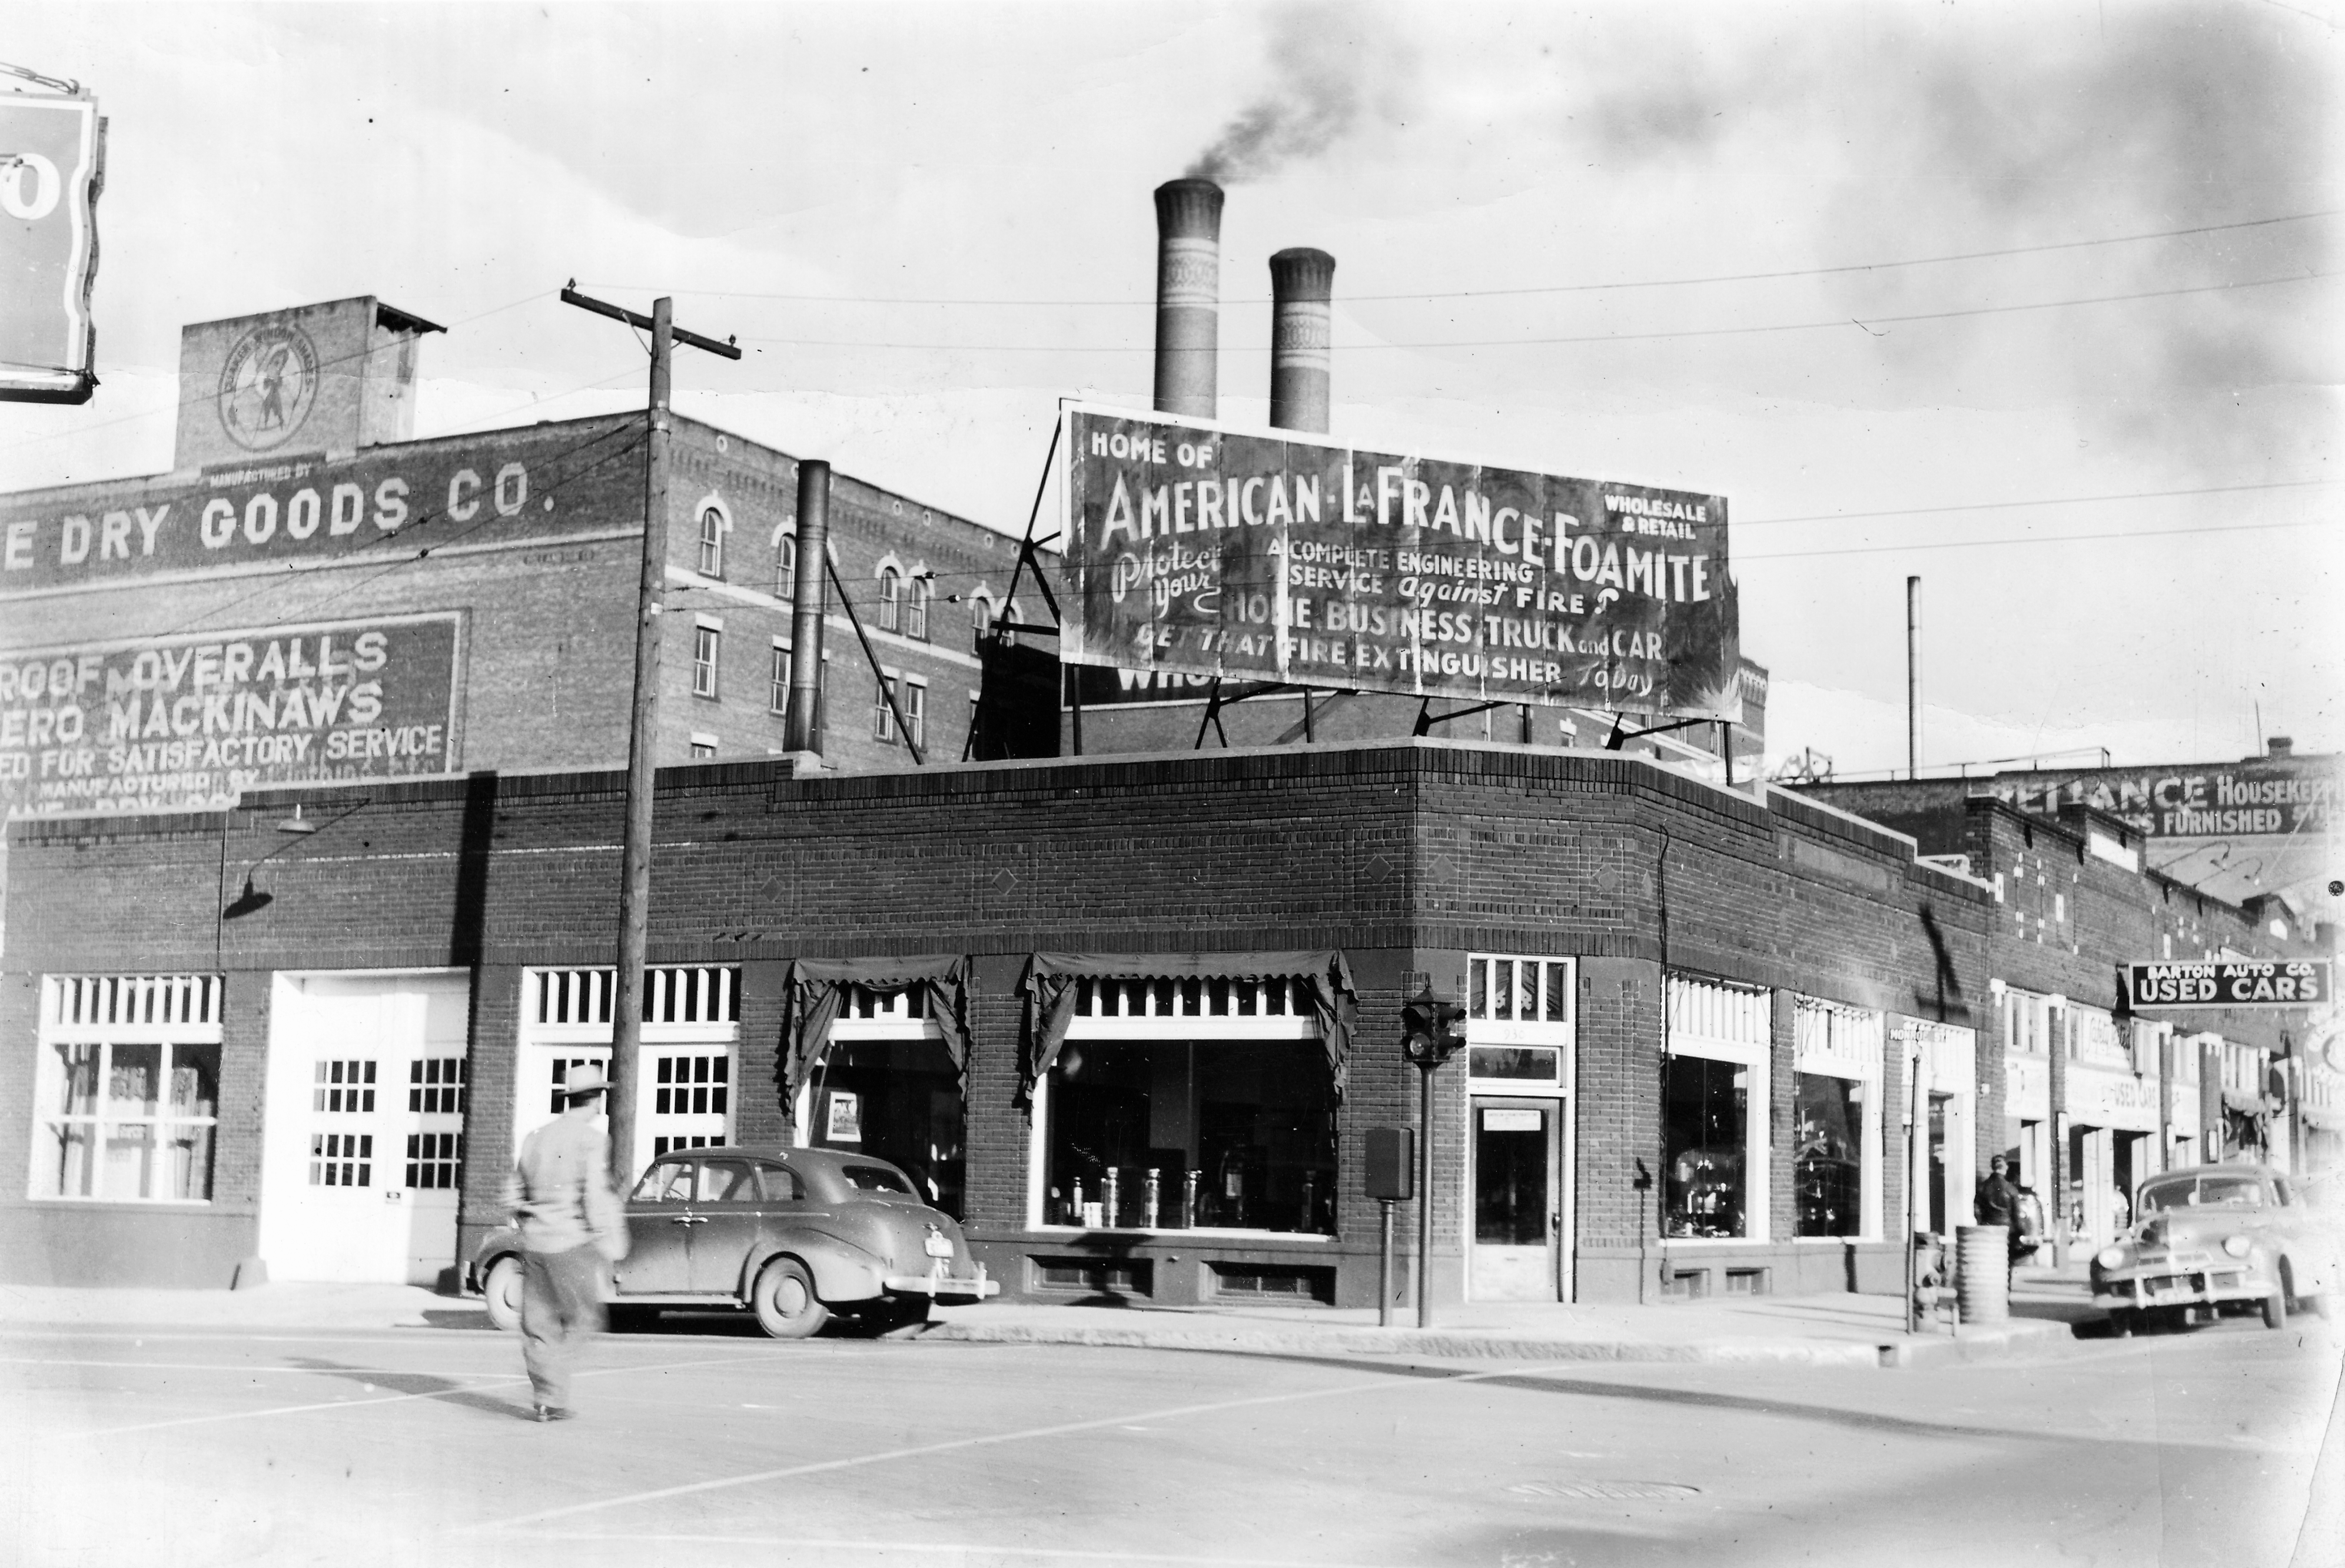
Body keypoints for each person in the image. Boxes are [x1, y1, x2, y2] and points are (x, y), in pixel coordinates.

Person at [505, 1071, 630, 1422]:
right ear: (594, 1099)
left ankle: (547, 1398)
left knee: (539, 1326)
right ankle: (554, 1391)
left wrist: (529, 1220)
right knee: (583, 1319)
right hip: (570, 1245)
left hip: (534, 1245)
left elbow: (513, 1193)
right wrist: (609, 1241)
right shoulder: (590, 1140)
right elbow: (593, 1196)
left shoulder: (534, 1139)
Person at [1975, 1154, 2025, 1280]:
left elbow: (1976, 1210)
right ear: (2005, 1168)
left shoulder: (1982, 1187)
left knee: (1990, 1262)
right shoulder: (2011, 1189)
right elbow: (2016, 1215)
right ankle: (2005, 1291)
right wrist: (2020, 1231)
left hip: (1988, 1229)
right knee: (2007, 1262)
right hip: (2006, 1231)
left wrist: (1981, 1223)